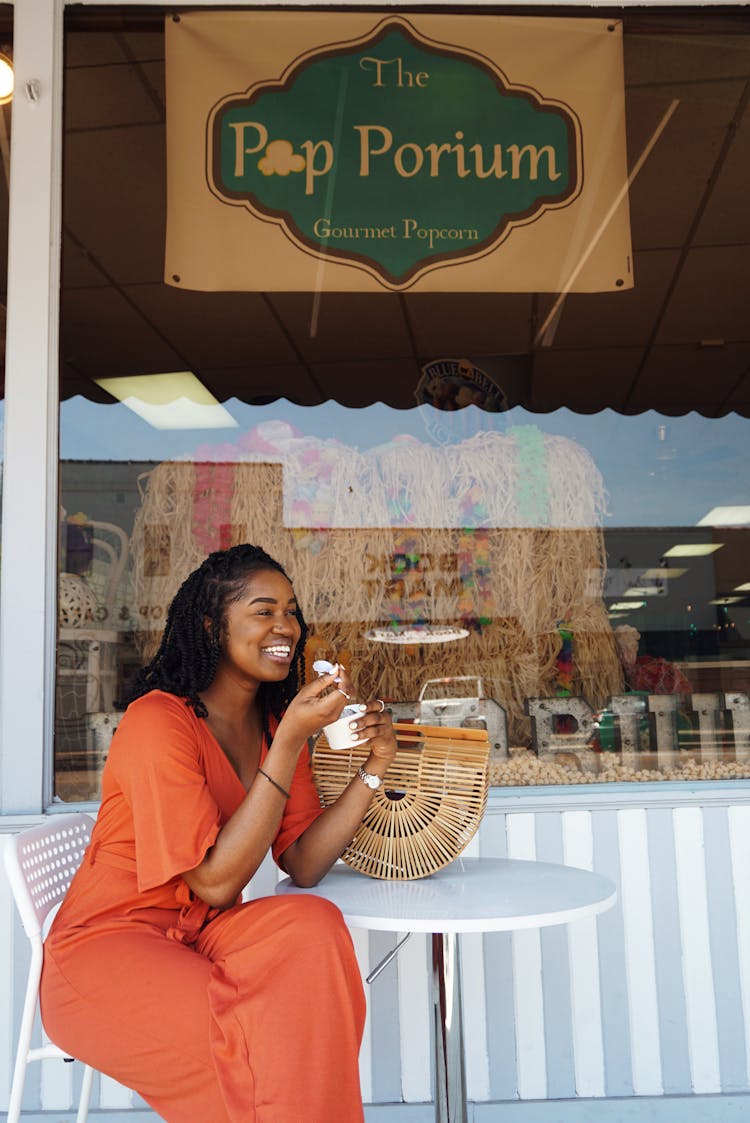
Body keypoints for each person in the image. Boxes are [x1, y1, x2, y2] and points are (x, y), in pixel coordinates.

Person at [40, 543, 398, 1123]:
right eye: (263, 611)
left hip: (205, 938)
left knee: (315, 926)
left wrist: (373, 768)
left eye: (291, 610)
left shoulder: (274, 722)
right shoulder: (157, 721)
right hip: (109, 950)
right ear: (212, 626)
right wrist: (287, 746)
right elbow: (211, 881)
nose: (285, 626)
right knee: (255, 1043)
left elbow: (302, 863)